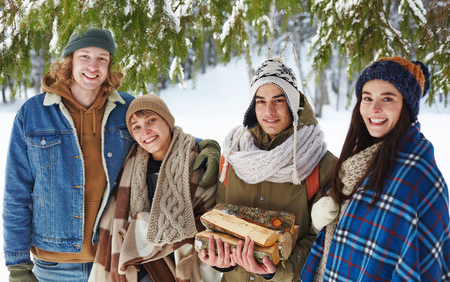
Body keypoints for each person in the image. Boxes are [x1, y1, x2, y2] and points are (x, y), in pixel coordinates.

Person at [3, 27, 135, 281]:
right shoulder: (33, 113)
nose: (93, 66)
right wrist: (17, 265)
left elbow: (161, 136)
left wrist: (200, 144)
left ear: (109, 65)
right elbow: (16, 193)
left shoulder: (126, 108)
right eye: (84, 56)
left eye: (102, 59)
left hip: (113, 259)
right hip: (54, 265)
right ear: (70, 61)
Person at [301, 56, 450, 281]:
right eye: (367, 98)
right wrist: (328, 210)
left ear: (406, 106)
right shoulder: (359, 158)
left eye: (387, 98)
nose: (374, 108)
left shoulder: (416, 175)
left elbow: (419, 262)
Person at [198, 58, 337, 282]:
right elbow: (221, 221)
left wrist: (278, 271)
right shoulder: (233, 155)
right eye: (260, 101)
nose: (269, 111)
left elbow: (320, 239)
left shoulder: (319, 163)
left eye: (278, 100)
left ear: (292, 103)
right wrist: (221, 263)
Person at [88, 94, 221, 282]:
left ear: (167, 121)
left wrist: (141, 225)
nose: (146, 131)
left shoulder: (197, 160)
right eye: (137, 127)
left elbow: (211, 215)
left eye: (151, 120)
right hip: (139, 267)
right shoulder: (129, 164)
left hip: (183, 261)